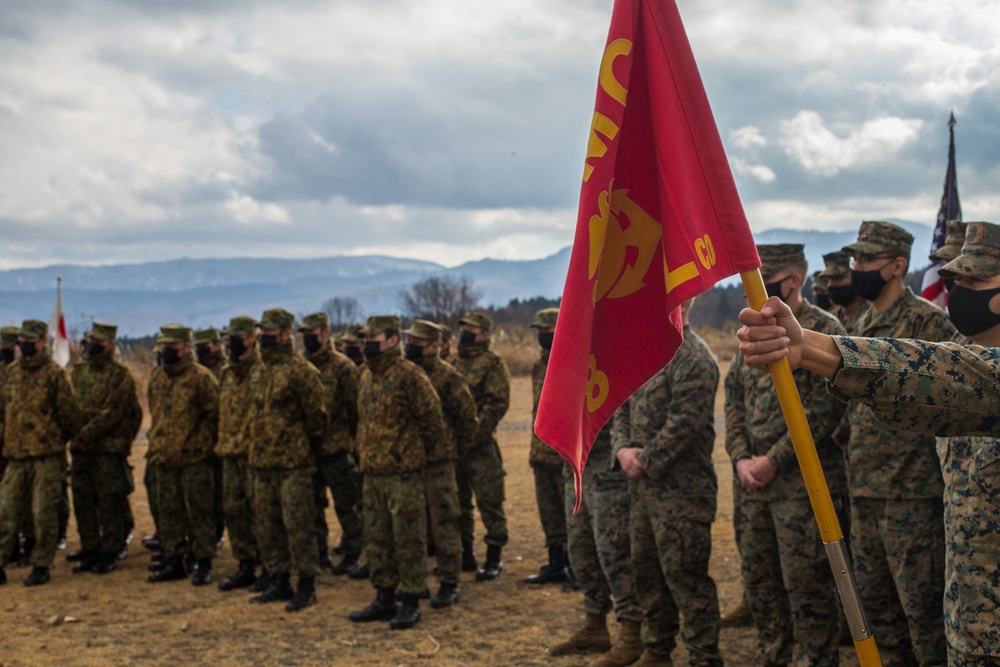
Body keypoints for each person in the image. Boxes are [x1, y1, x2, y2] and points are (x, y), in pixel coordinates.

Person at [737, 220, 1000, 667]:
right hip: (970, 618)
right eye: (958, 280)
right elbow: (931, 373)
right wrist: (811, 348)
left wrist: (817, 350)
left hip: (914, 506)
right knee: (883, 617)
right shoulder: (956, 346)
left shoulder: (954, 350)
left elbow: (947, 377)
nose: (961, 291)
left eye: (977, 280)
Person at [838, 220, 956, 665]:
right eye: (855, 259)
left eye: (866, 259)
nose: (857, 267)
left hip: (914, 497)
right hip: (864, 492)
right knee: (879, 617)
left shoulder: (927, 324)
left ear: (897, 266)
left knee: (923, 618)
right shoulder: (860, 324)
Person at [725, 245, 846, 666]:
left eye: (768, 277)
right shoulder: (754, 330)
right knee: (760, 584)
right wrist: (741, 456)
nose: (753, 289)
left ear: (793, 280)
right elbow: (733, 400)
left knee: (808, 587)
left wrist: (772, 459)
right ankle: (772, 657)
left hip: (801, 490)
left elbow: (823, 411)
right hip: (752, 489)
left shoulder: (821, 331)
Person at [612, 298, 723, 667]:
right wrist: (622, 450)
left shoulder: (695, 357)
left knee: (686, 579)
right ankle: (657, 651)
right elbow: (621, 405)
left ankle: (703, 657)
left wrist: (644, 459)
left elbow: (684, 424)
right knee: (647, 575)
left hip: (683, 494)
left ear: (686, 301)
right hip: (643, 491)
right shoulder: (644, 352)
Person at [348, 315, 445, 630]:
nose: (366, 344)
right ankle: (384, 596)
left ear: (391, 340)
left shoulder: (410, 376)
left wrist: (412, 454)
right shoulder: (364, 375)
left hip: (402, 473)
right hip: (373, 473)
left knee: (408, 538)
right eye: (364, 338)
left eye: (372, 338)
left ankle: (412, 599)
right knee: (377, 537)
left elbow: (433, 422)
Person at [246, 308, 327, 612]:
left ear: (284, 334)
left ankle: (306, 585)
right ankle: (278, 580)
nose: (262, 338)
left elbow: (318, 419)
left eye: (269, 333)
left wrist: (297, 445)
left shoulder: (301, 371)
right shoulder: (259, 370)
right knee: (267, 526)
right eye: (261, 332)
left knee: (299, 526)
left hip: (293, 464)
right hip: (262, 463)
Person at [402, 319, 477, 609]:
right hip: (409, 462)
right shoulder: (406, 374)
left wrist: (451, 451)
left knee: (444, 520)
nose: (410, 347)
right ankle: (413, 580)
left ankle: (449, 581)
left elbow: (467, 420)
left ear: (433, 346)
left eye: (417, 343)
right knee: (411, 525)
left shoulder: (448, 378)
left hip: (439, 463)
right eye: (409, 341)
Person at [0, 320, 81, 587]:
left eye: (30, 340)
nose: (24, 344)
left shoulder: (55, 375)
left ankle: (41, 564)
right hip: (16, 456)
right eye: (21, 339)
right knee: (6, 511)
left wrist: (52, 439)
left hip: (47, 456)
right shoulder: (11, 374)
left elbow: (70, 417)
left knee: (43, 513)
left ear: (43, 341)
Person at [146, 324, 220, 586]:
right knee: (169, 512)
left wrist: (200, 445)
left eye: (172, 346)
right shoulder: (158, 377)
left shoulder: (202, 378)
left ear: (187, 347)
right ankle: (174, 559)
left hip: (194, 460)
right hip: (164, 458)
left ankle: (203, 562)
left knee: (199, 513)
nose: (167, 351)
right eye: (164, 346)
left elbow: (215, 417)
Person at [68, 322, 142, 575]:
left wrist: (84, 434)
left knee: (110, 500)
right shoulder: (78, 373)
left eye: (99, 341)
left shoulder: (120, 375)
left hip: (107, 450)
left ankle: (111, 550)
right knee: (83, 499)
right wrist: (74, 433)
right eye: (91, 340)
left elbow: (115, 412)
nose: (93, 345)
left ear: (111, 343)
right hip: (82, 450)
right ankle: (90, 548)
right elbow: (68, 407)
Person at [298, 312, 364, 576]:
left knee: (348, 504)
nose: (307, 339)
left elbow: (354, 410)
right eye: (304, 334)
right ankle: (318, 553)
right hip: (307, 451)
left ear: (325, 334)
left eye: (311, 334)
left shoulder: (343, 367)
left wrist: (353, 443)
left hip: (337, 449)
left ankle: (353, 551)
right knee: (312, 506)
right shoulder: (300, 366)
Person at [454, 311, 510, 581]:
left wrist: (473, 435)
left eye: (471, 329)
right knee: (458, 503)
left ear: (485, 334)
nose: (465, 332)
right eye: (463, 327)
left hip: (482, 448)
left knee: (490, 501)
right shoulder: (453, 362)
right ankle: (465, 553)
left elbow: (497, 403)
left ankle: (493, 557)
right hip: (454, 450)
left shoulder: (492, 364)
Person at [215, 316, 263, 591]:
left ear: (251, 338)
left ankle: (269, 566)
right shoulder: (226, 373)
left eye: (237, 337)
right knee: (234, 511)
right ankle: (245, 564)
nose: (230, 342)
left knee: (260, 513)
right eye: (229, 337)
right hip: (230, 453)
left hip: (254, 455)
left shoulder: (262, 370)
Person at [524, 308, 570, 585]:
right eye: (539, 331)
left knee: (570, 514)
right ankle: (555, 562)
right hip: (541, 451)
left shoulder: (574, 360)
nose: (542, 336)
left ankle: (575, 566)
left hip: (563, 453)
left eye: (547, 331)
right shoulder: (539, 366)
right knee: (549, 513)